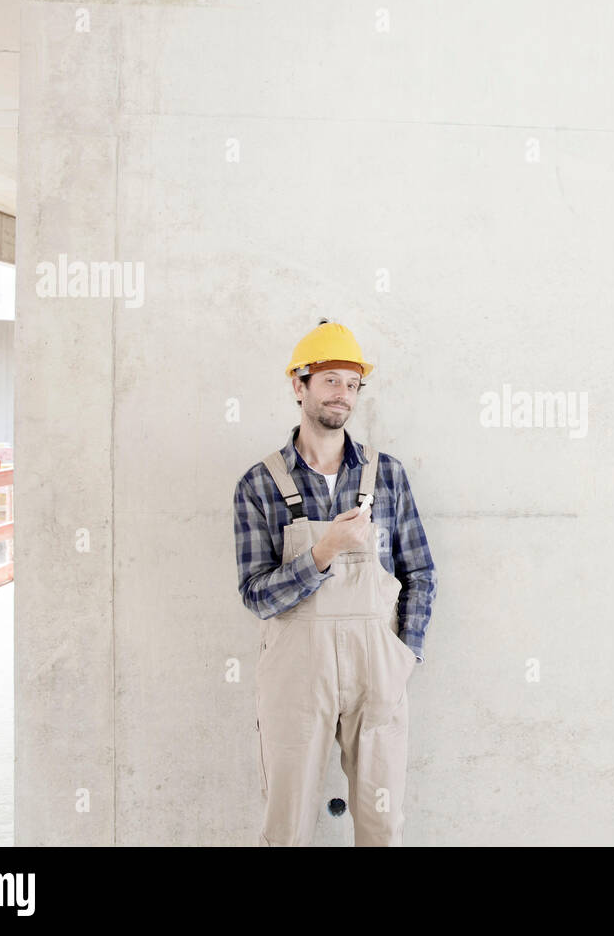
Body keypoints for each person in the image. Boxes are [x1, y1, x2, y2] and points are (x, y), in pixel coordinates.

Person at [232, 320, 437, 846]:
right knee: (288, 823)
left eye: (351, 382)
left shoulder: (386, 475)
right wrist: (321, 554)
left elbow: (420, 572)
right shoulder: (259, 484)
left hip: (377, 668)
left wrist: (404, 655)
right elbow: (256, 593)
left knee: (382, 823)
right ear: (299, 386)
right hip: (297, 670)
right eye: (329, 380)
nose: (342, 393)